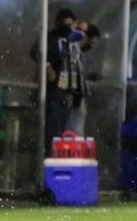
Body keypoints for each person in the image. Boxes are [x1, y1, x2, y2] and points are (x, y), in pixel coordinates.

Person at [33, 8, 80, 147]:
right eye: (64, 25)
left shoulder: (73, 41)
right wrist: (47, 66)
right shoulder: (50, 38)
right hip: (52, 88)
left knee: (63, 126)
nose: (67, 28)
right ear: (58, 23)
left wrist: (71, 91)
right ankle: (48, 154)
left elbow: (74, 65)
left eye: (70, 25)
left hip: (66, 89)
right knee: (51, 126)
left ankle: (58, 153)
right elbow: (36, 52)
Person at [65, 20, 100, 135]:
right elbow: (69, 70)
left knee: (77, 122)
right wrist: (70, 92)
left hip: (77, 94)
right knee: (74, 125)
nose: (91, 46)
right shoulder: (72, 49)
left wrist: (87, 78)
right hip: (74, 94)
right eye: (91, 42)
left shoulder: (78, 52)